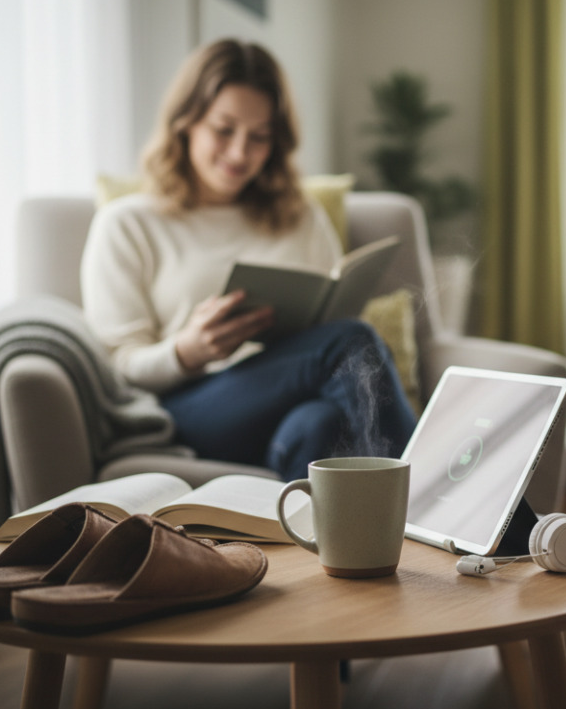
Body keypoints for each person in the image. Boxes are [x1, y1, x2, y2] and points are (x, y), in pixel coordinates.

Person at [81, 38, 418, 481]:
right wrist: (186, 352)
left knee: (320, 424)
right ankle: (438, 495)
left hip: (288, 409)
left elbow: (328, 328)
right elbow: (117, 368)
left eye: (259, 137)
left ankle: (305, 527)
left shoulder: (301, 216)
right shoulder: (127, 223)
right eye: (224, 130)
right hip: (190, 407)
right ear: (186, 122)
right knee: (350, 342)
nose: (240, 153)